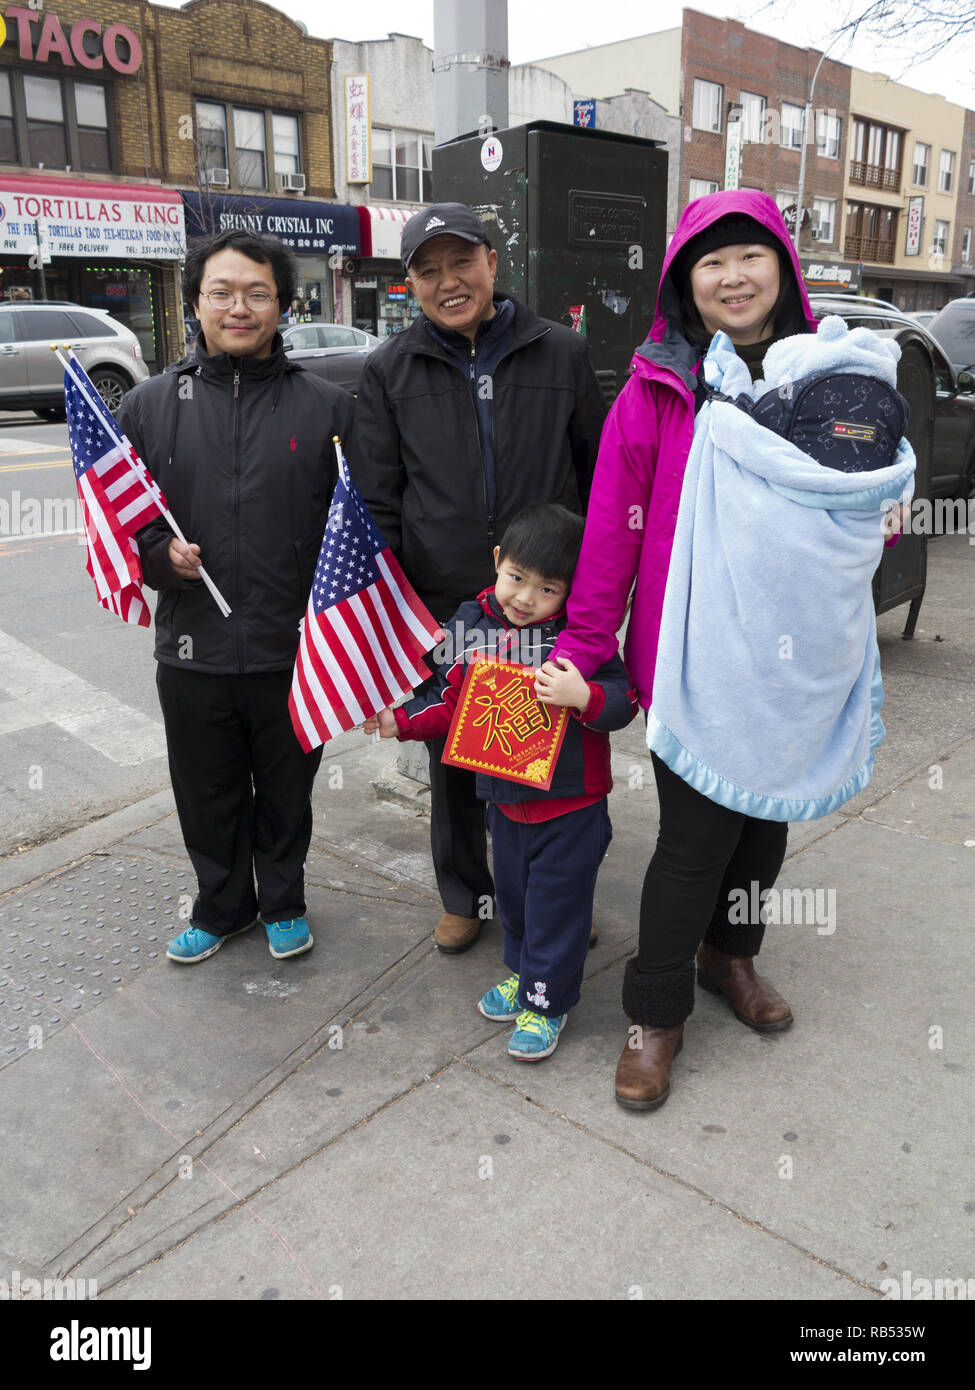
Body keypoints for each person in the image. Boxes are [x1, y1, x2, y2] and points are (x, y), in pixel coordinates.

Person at [551, 189, 845, 1110]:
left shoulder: (828, 378)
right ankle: (655, 1011)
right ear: (684, 281)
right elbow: (608, 533)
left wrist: (881, 518)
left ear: (781, 270)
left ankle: (733, 957)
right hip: (688, 655)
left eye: (749, 255)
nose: (731, 275)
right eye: (709, 261)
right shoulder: (654, 389)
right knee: (694, 840)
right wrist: (585, 647)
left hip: (791, 656)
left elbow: (855, 497)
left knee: (765, 825)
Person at [353, 201, 608, 955]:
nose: (448, 281)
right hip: (449, 605)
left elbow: (598, 479)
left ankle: (554, 899)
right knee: (457, 759)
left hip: (548, 604)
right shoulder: (389, 369)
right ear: (410, 286)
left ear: (492, 263)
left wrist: (592, 596)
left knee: (555, 760)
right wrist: (401, 615)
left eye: (461, 262)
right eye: (427, 271)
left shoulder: (558, 352)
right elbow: (378, 498)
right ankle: (465, 892)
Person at [119, 229, 354, 965]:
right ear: (196, 302)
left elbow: (355, 527)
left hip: (293, 651)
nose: (239, 307)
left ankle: (283, 900)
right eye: (222, 291)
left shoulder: (326, 408)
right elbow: (123, 525)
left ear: (282, 305)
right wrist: (161, 557)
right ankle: (221, 906)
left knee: (286, 792)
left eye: (257, 292)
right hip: (191, 649)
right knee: (206, 791)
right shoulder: (151, 406)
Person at [364, 504, 637, 1058]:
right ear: (497, 561)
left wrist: (584, 697)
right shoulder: (468, 624)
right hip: (504, 802)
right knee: (513, 900)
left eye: (547, 589)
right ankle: (522, 972)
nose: (525, 598)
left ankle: (546, 1002)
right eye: (516, 578)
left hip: (570, 806)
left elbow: (625, 699)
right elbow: (446, 697)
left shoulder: (582, 637)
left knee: (556, 908)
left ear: (571, 592)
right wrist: (399, 722)